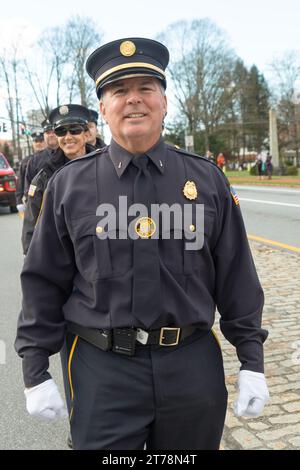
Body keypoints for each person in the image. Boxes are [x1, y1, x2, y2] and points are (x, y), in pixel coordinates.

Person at [15, 37, 269, 450]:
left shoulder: (206, 181)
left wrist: (252, 361)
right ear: (102, 108)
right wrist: (34, 369)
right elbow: (44, 280)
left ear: (165, 102)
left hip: (191, 367)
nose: (133, 100)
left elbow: (237, 276)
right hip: (102, 369)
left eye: (145, 89)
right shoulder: (69, 185)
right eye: (119, 91)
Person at [21, 104, 94, 255]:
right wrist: (30, 257)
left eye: (74, 130)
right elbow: (32, 224)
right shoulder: (44, 177)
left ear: (86, 134)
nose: (68, 137)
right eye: (61, 131)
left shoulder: (107, 167)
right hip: (61, 256)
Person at [23, 120, 59, 199]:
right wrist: (31, 199)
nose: (51, 135)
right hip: (42, 205)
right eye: (48, 133)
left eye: (54, 132)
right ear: (44, 135)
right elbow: (29, 186)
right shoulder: (34, 160)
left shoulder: (69, 154)